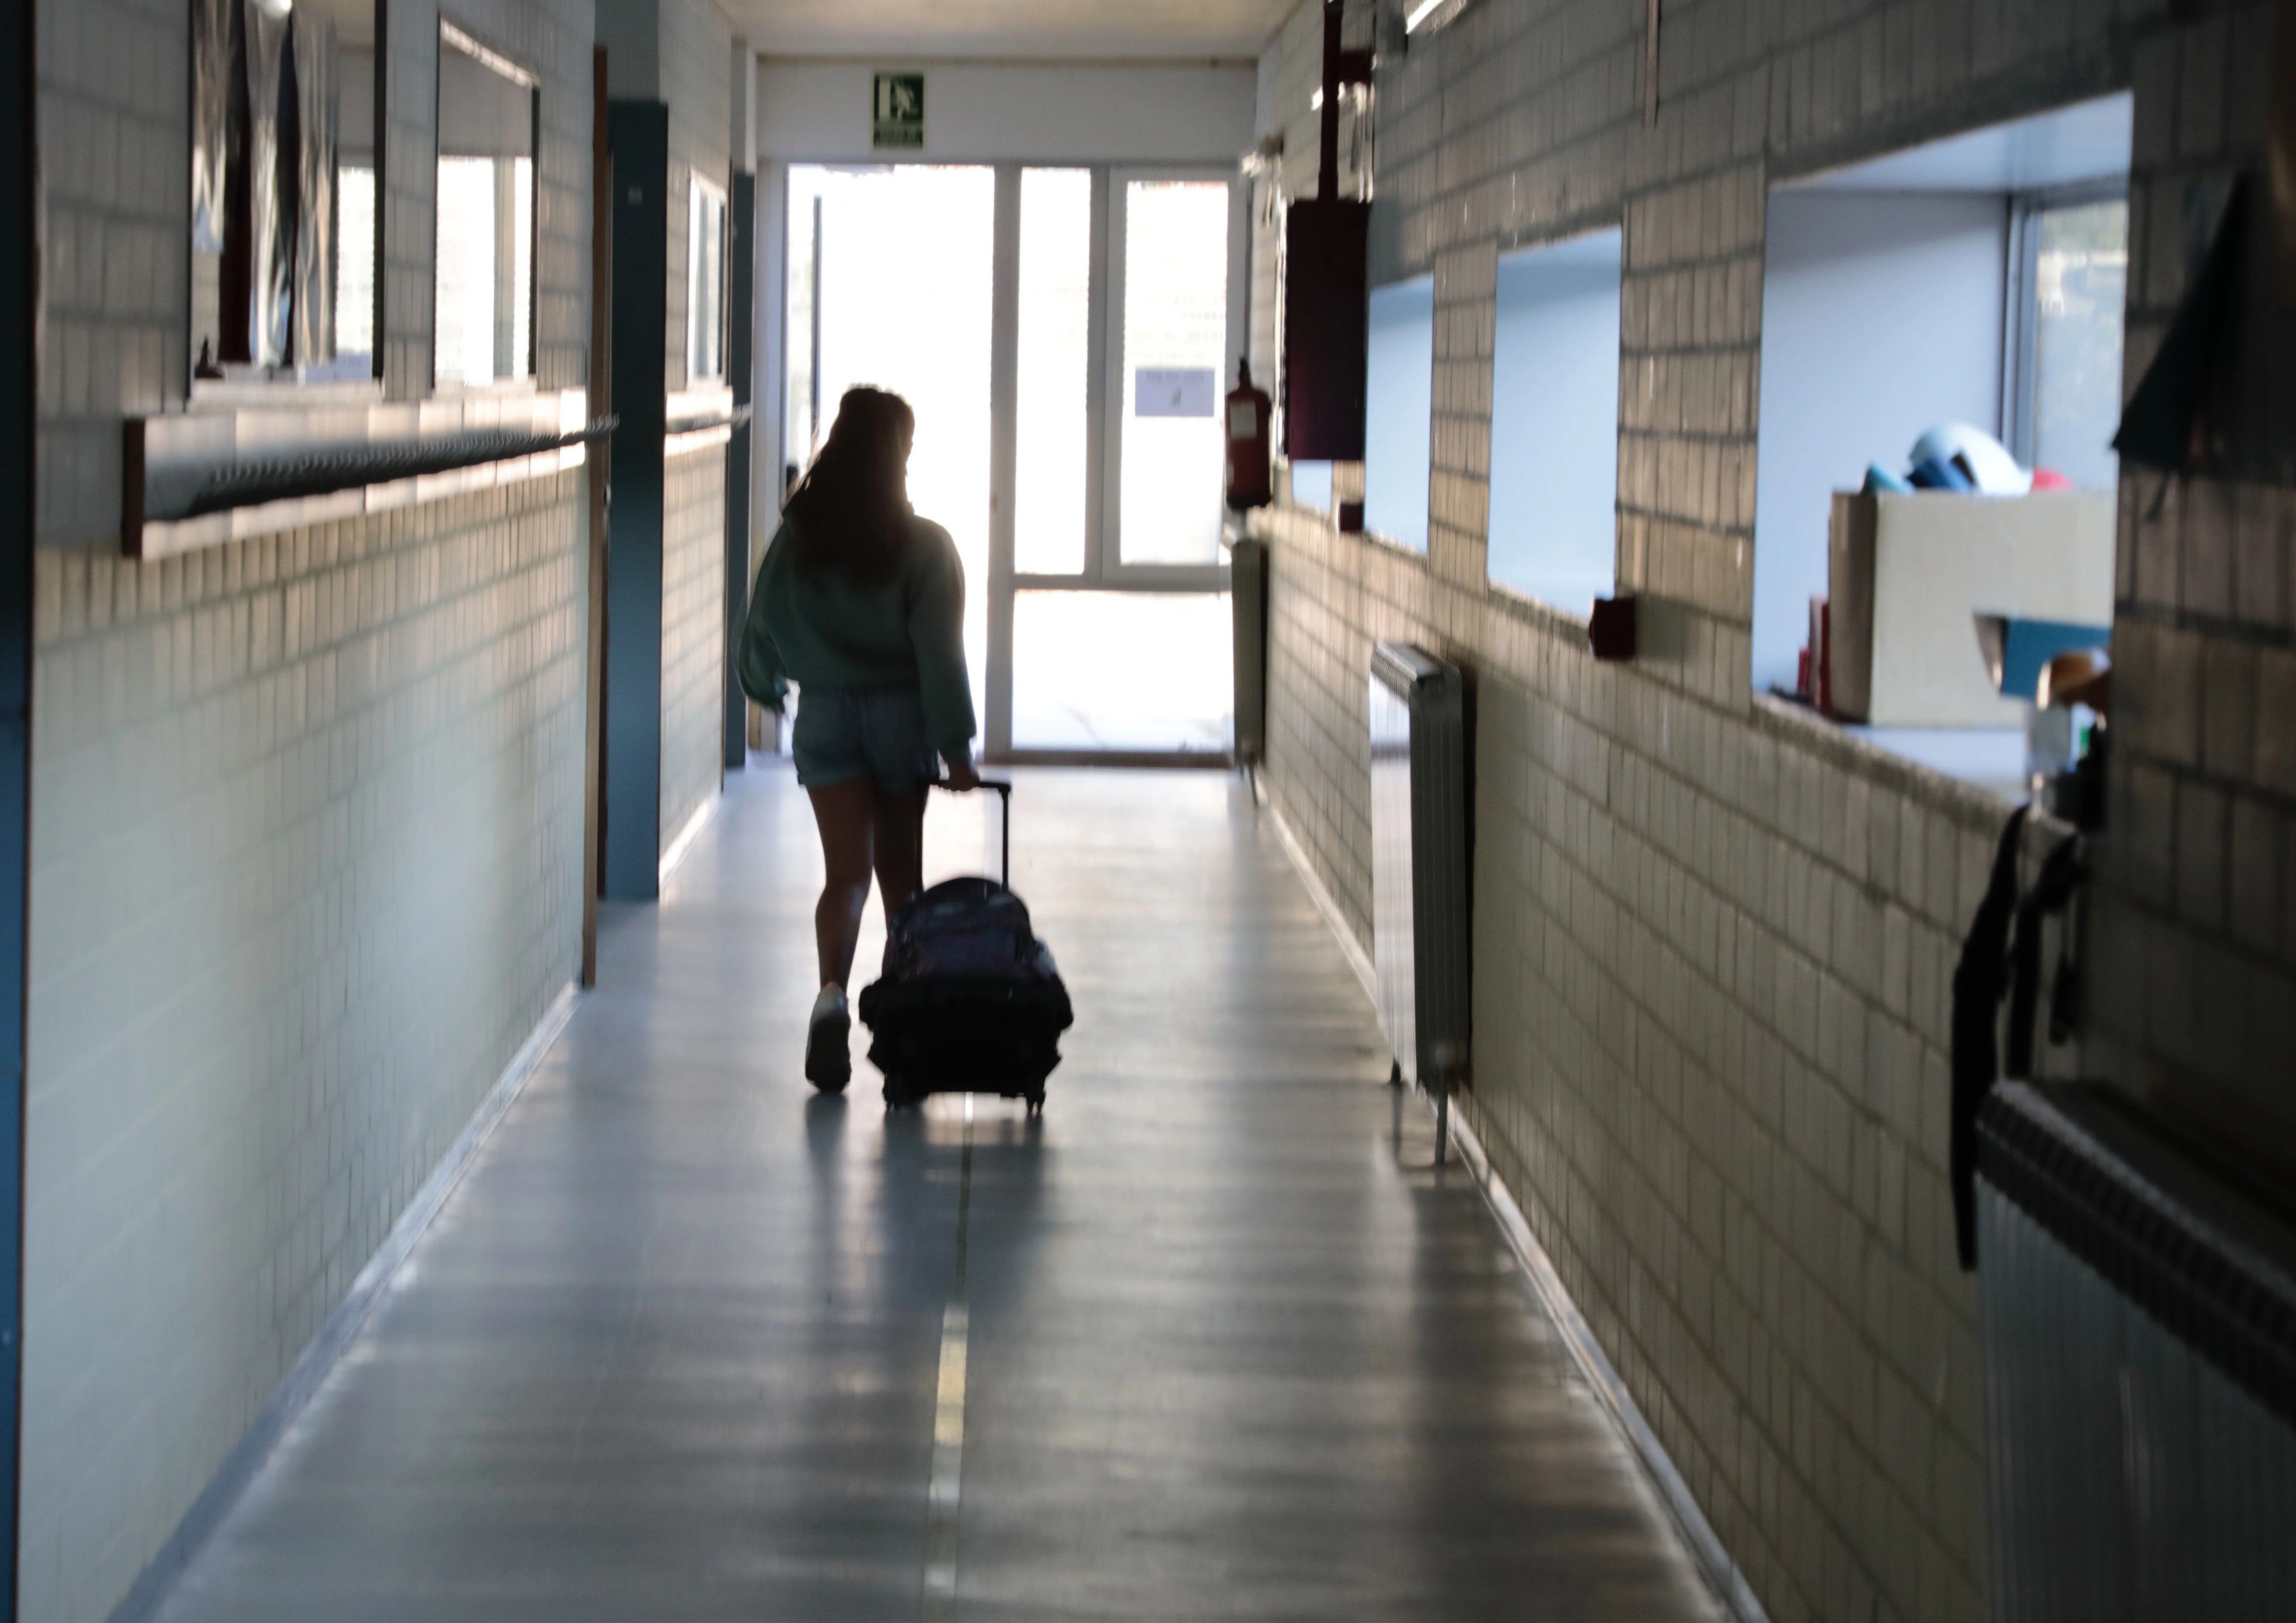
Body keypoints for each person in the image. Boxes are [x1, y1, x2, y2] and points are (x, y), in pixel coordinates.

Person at [738, 386, 979, 1092]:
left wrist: (765, 685)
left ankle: (830, 1000)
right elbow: (940, 655)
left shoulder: (799, 539)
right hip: (901, 718)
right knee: (902, 881)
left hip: (828, 718)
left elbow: (761, 626)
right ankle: (907, 1023)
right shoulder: (925, 547)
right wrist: (957, 750)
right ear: (897, 455)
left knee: (845, 876)